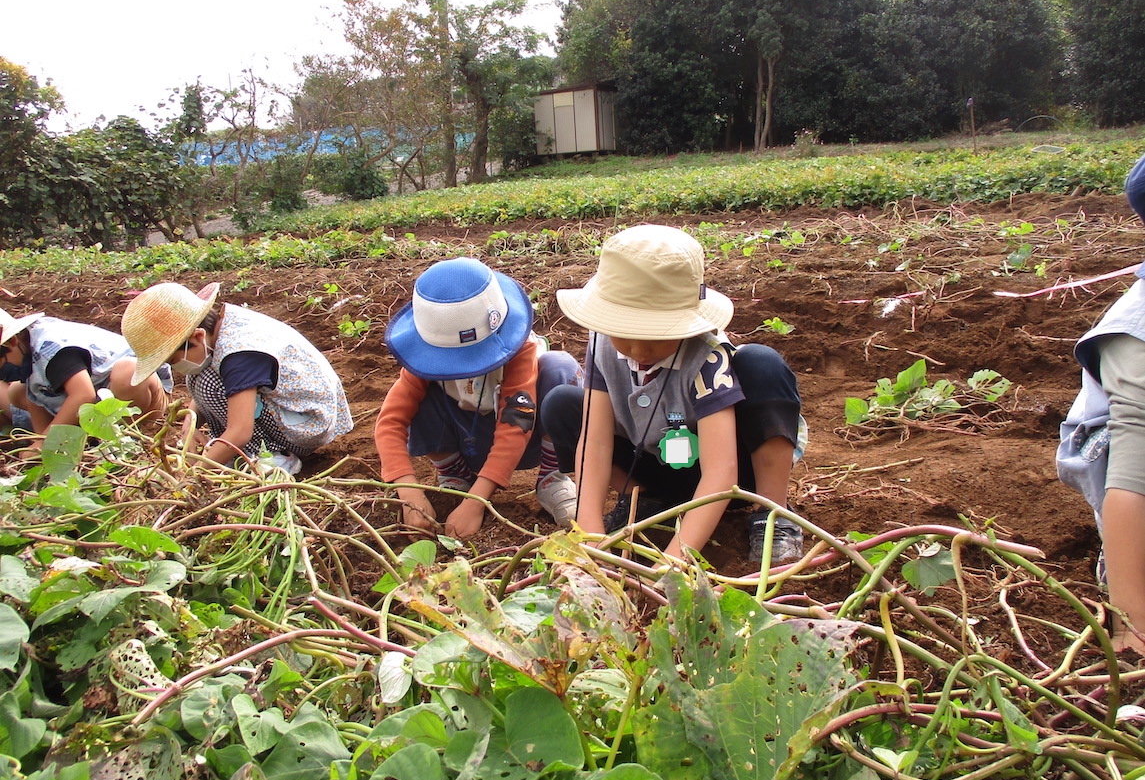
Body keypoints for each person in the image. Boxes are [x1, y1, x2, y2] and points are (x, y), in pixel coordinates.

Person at [541, 224, 807, 563]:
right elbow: (595, 442)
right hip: (656, 467)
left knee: (761, 363)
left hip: (733, 479)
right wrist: (589, 531)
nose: (639, 350)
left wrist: (675, 559)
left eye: (655, 336)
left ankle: (773, 514)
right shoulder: (602, 342)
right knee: (562, 404)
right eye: (625, 334)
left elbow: (721, 471)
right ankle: (643, 500)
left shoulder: (707, 356)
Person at [374, 257, 582, 539]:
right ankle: (455, 475)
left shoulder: (520, 350)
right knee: (419, 399)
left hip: (527, 436)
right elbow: (390, 422)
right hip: (463, 438)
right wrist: (409, 493)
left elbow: (516, 424)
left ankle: (551, 477)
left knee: (561, 368)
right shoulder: (423, 360)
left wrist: (477, 501)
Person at [122, 282, 352, 474]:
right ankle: (244, 452)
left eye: (173, 360)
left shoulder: (238, 355)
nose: (177, 368)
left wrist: (194, 475)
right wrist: (189, 426)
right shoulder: (221, 329)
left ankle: (271, 457)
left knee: (208, 384)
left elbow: (240, 431)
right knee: (201, 379)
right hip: (294, 409)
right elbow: (201, 400)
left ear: (198, 336)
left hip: (307, 423)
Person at [1058, 152, 1145, 656]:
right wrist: (1134, 626)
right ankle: (1128, 580)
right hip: (1128, 476)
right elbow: (1134, 481)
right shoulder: (1136, 335)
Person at [1, 307, 170, 444]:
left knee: (127, 373)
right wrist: (40, 442)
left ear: (11, 342)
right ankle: (92, 437)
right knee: (17, 390)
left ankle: (127, 435)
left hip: (142, 394)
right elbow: (36, 397)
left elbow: (83, 395)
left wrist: (46, 442)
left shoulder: (51, 350)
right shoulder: (25, 353)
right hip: (95, 407)